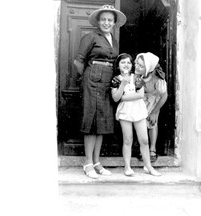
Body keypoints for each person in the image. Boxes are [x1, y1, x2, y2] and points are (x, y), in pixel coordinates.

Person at [73, 5, 127, 179]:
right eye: (103, 19)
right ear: (98, 21)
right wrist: (90, 78)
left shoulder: (114, 40)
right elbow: (78, 62)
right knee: (91, 122)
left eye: (110, 20)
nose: (106, 22)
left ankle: (96, 162)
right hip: (92, 82)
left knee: (102, 122)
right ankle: (87, 162)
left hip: (107, 83)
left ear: (114, 23)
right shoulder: (90, 37)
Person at [111, 53, 161, 176]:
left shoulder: (137, 78)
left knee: (144, 140)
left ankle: (148, 166)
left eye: (128, 62)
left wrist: (123, 97)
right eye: (123, 62)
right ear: (118, 65)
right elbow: (115, 98)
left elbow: (140, 95)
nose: (126, 65)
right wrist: (123, 84)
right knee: (128, 140)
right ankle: (127, 167)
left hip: (138, 110)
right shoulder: (116, 80)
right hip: (125, 111)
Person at [135, 52, 168, 162]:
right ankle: (142, 149)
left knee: (152, 124)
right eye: (137, 64)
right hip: (140, 102)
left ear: (149, 68)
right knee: (141, 124)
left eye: (141, 66)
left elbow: (164, 96)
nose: (137, 67)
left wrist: (154, 112)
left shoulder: (158, 79)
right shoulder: (137, 75)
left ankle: (152, 149)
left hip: (153, 103)